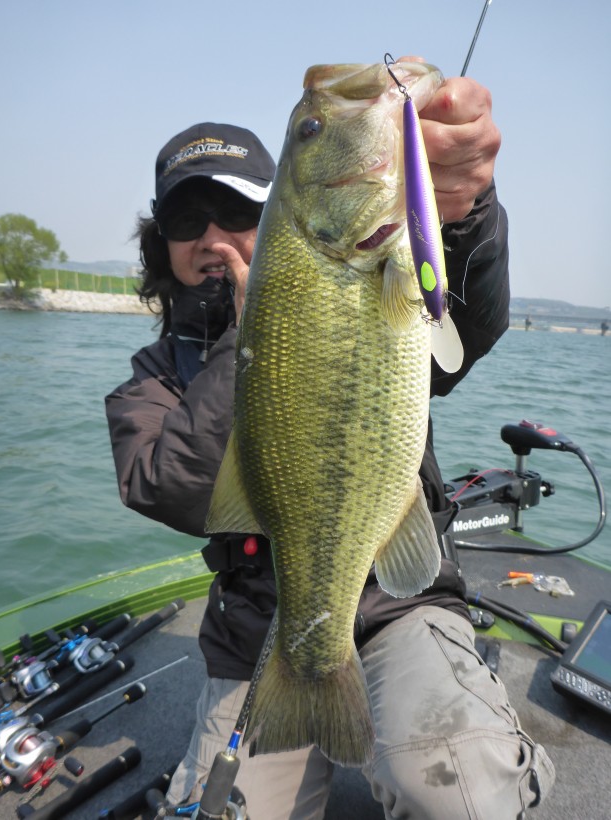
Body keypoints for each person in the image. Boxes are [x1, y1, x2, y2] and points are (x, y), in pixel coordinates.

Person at [106, 83, 555, 819]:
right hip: (256, 633)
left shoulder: (380, 272)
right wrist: (248, 340)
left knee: (463, 795)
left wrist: (466, 210)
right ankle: (313, 688)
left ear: (274, 215)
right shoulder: (153, 378)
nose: (212, 238)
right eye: (187, 220)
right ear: (162, 244)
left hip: (398, 604)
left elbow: (468, 320)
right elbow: (168, 489)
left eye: (236, 212)